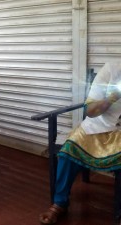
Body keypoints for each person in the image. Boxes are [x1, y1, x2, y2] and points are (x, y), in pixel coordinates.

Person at [39, 62, 121, 225]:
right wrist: (112, 97)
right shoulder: (111, 70)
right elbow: (90, 111)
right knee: (69, 149)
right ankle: (60, 203)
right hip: (97, 127)